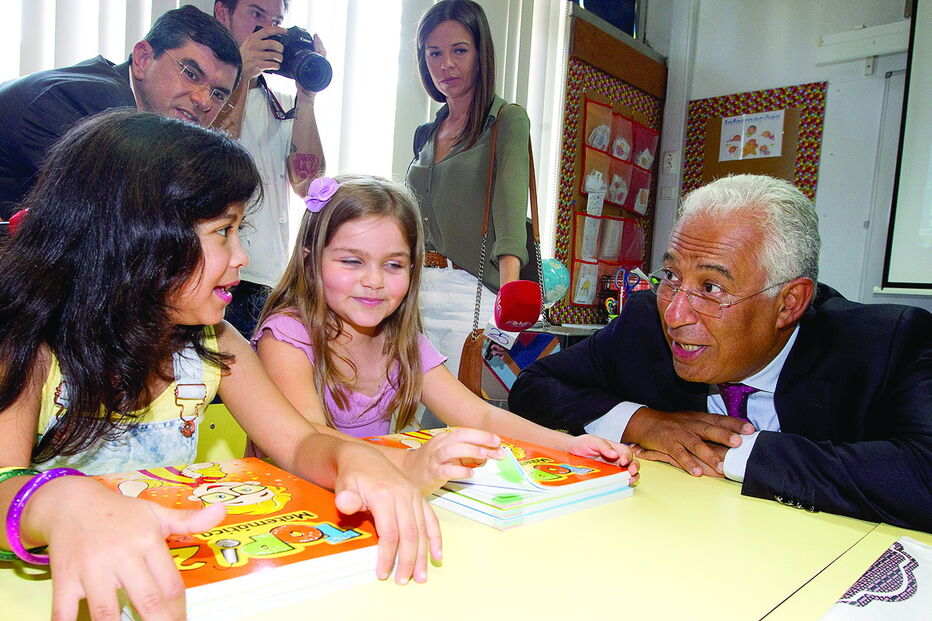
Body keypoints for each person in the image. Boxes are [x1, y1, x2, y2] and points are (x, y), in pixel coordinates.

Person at [0, 110, 454, 619]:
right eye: (224, 231)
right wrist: (61, 503)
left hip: (186, 583)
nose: (241, 256)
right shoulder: (30, 345)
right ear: (140, 236)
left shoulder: (217, 341)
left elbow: (299, 441)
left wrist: (353, 459)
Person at [508, 174, 932, 532]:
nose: (675, 314)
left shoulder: (890, 343)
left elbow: (923, 479)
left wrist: (734, 455)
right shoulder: (644, 323)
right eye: (671, 275)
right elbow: (533, 387)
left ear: (789, 303)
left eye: (711, 288)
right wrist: (644, 422)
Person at [253, 175, 640, 480]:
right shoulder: (287, 336)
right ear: (309, 260)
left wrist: (568, 445)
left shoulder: (399, 338)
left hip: (379, 488)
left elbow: (480, 415)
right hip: (296, 503)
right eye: (352, 261)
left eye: (393, 265)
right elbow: (310, 438)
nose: (374, 280)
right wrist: (415, 463)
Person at [0, 5, 242, 220]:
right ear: (142, 59)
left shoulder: (136, 116)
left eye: (218, 94)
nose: (204, 102)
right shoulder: (84, 104)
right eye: (190, 74)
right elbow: (124, 222)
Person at [406, 0, 532, 380]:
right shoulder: (426, 135)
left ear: (481, 54)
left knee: (471, 422)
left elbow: (510, 215)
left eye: (459, 50)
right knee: (409, 424)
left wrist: (509, 304)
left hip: (473, 294)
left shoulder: (506, 120)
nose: (446, 64)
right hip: (417, 294)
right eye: (434, 53)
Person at [212, 0, 327, 338]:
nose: (267, 29)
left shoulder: (278, 97)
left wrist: (306, 99)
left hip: (270, 280)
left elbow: (309, 184)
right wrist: (241, 75)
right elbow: (210, 160)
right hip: (221, 274)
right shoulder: (205, 92)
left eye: (276, 20)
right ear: (223, 13)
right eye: (256, 15)